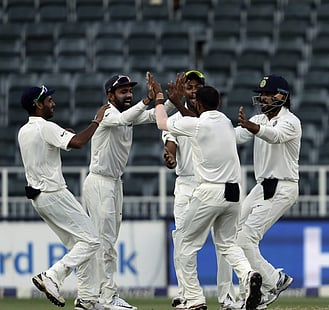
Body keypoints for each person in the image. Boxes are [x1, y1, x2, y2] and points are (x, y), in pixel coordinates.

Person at [155, 79, 263, 310]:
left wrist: (161, 100)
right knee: (227, 244)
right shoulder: (224, 121)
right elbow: (195, 118)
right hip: (234, 193)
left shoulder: (196, 125)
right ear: (219, 102)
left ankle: (194, 299)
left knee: (184, 242)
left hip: (209, 193)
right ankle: (248, 275)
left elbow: (163, 123)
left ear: (199, 105)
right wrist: (180, 103)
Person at [18, 85, 109, 310]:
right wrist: (96, 121)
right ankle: (52, 276)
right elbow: (78, 143)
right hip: (54, 193)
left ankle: (87, 300)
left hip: (39, 199)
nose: (53, 103)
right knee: (91, 241)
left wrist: (62, 133)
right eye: (49, 100)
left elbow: (47, 147)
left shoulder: (24, 131)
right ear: (38, 105)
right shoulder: (45, 127)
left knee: (81, 247)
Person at [82, 73, 158, 310]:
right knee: (104, 243)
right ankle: (106, 298)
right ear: (110, 95)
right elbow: (126, 118)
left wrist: (172, 101)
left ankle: (92, 297)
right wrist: (147, 100)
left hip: (114, 183)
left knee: (107, 241)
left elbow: (155, 116)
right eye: (123, 91)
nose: (128, 94)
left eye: (130, 91)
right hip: (100, 182)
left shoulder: (127, 115)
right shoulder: (107, 113)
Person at [161, 70, 235, 309]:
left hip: (210, 186)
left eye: (196, 87)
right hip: (186, 184)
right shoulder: (178, 117)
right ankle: (187, 294)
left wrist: (172, 101)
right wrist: (170, 157)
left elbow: (195, 119)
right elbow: (170, 141)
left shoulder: (211, 117)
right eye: (188, 87)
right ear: (183, 89)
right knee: (181, 237)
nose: (192, 91)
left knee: (223, 241)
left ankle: (227, 296)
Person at [234, 74, 301, 309]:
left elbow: (275, 136)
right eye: (261, 94)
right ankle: (251, 293)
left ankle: (274, 280)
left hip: (283, 186)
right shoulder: (259, 118)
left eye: (268, 94)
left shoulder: (291, 121)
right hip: (262, 187)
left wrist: (252, 126)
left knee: (245, 238)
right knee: (232, 236)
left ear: (281, 96)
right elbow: (235, 137)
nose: (263, 98)